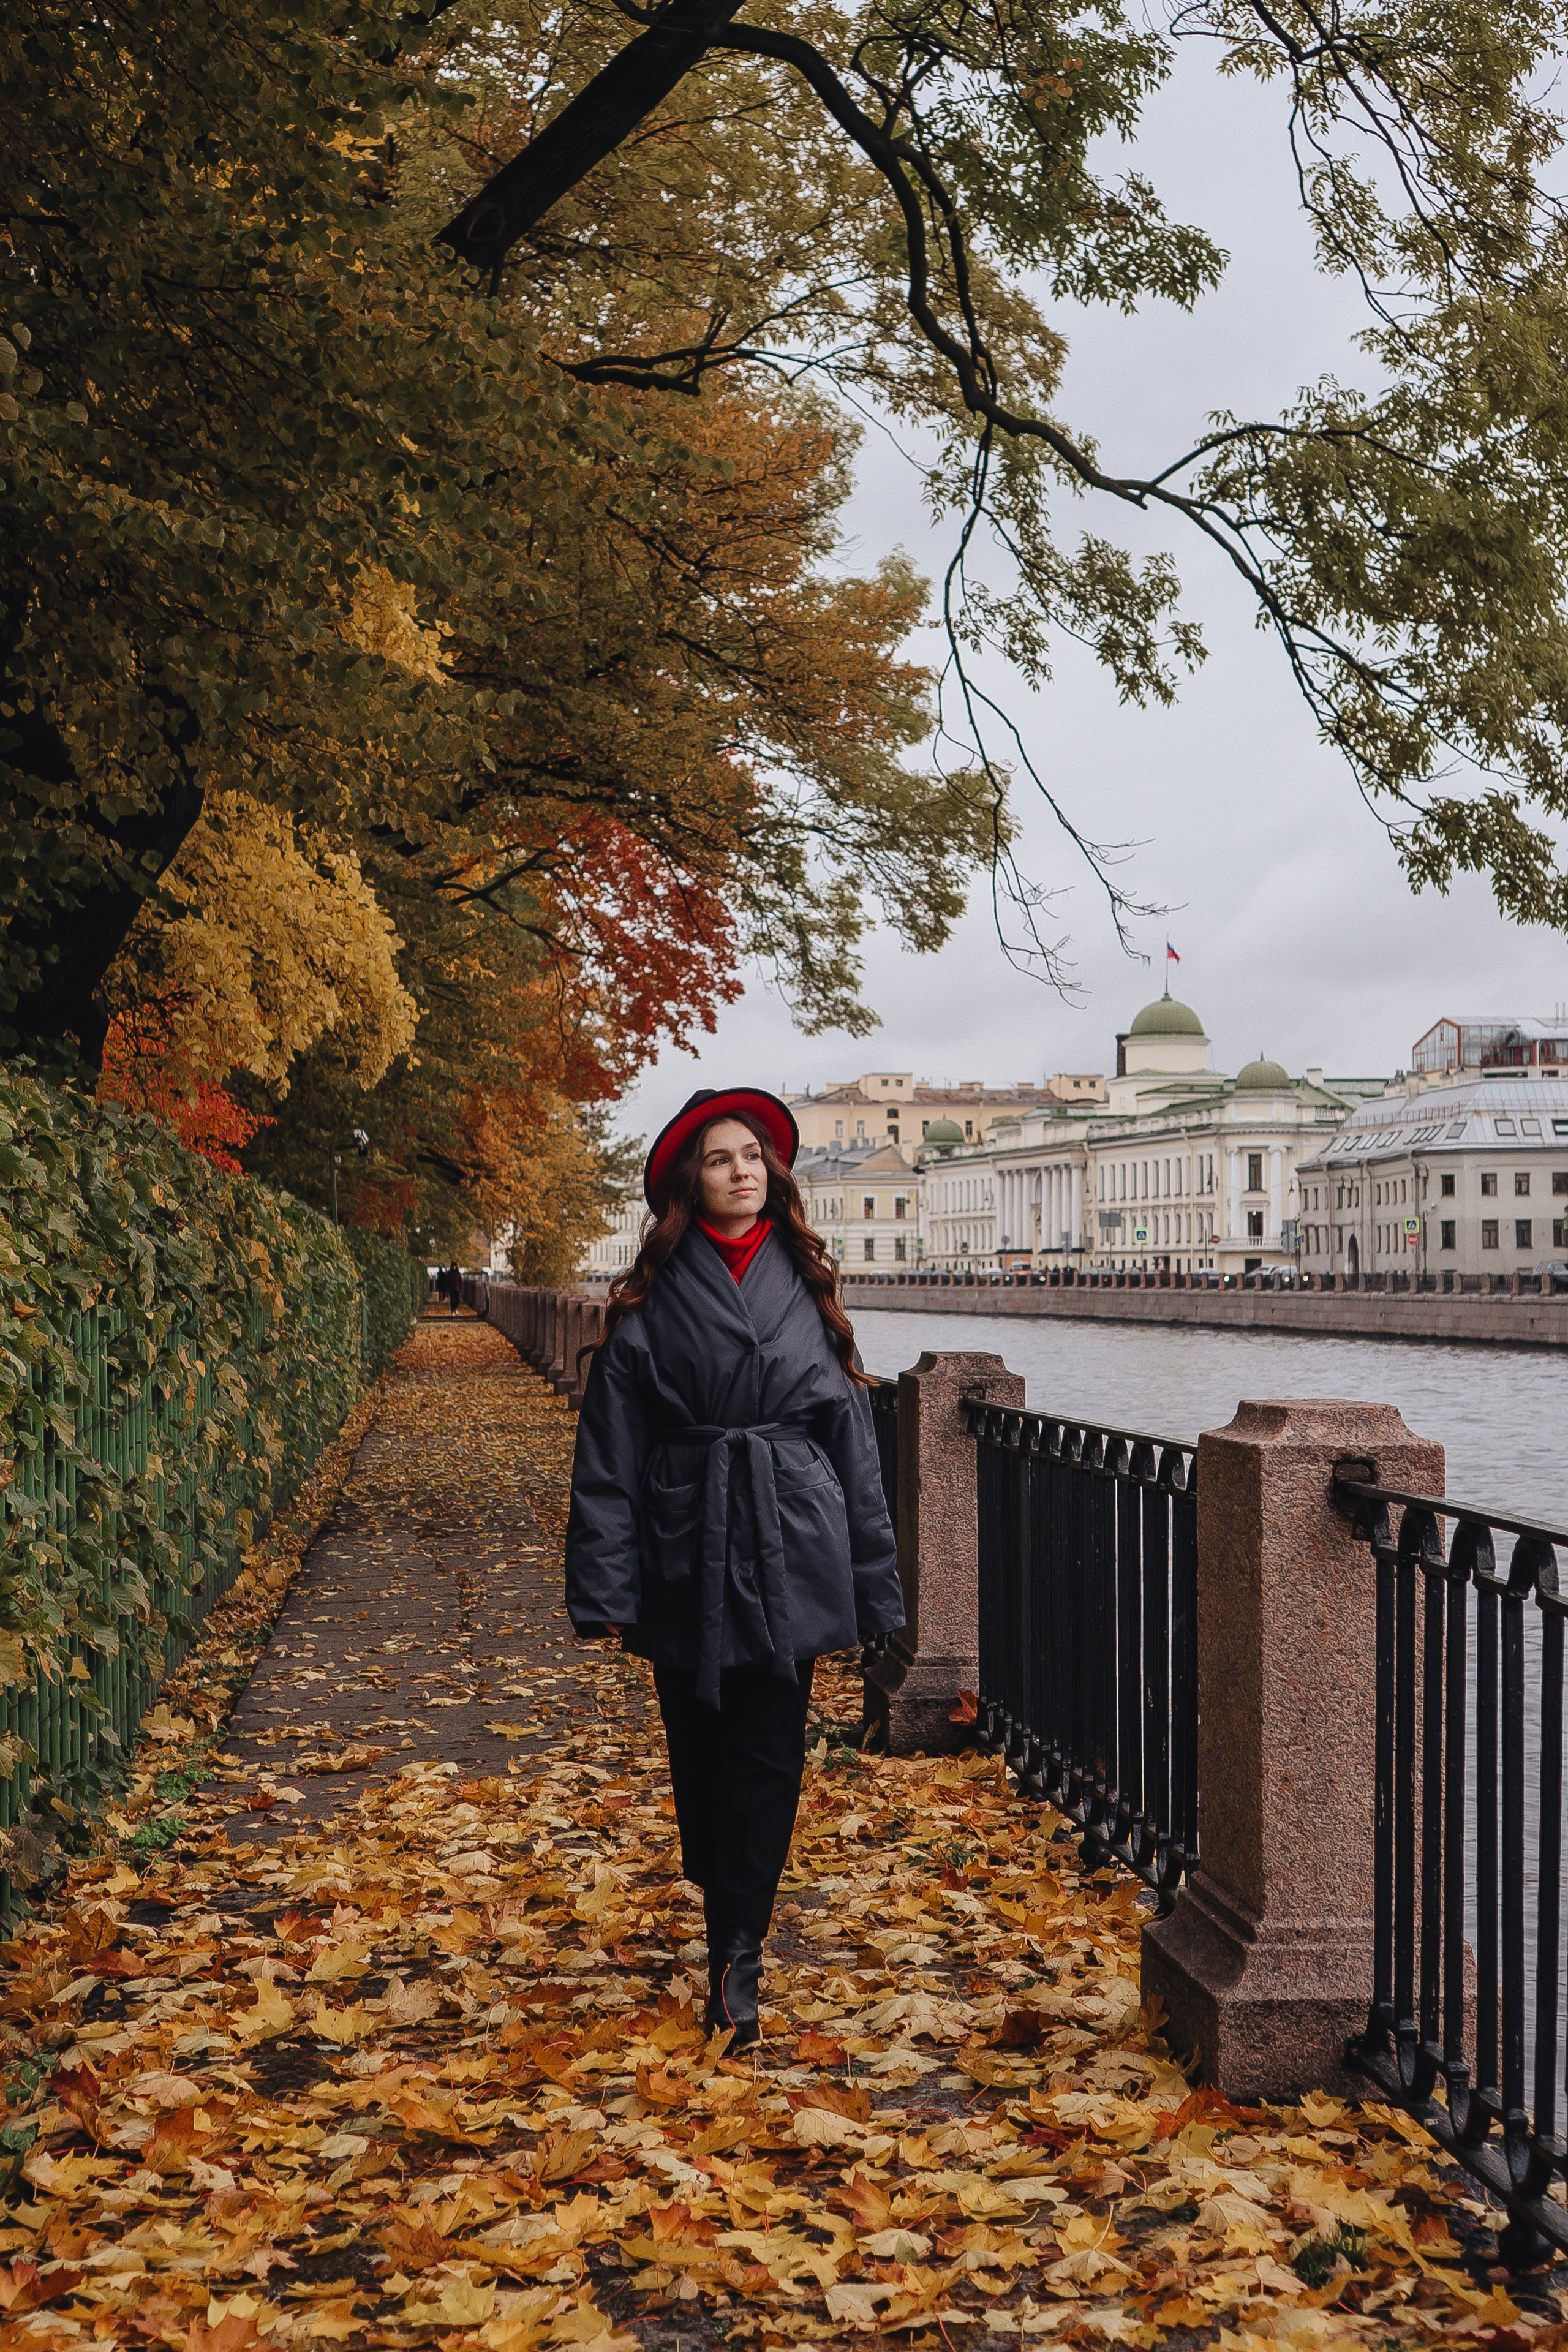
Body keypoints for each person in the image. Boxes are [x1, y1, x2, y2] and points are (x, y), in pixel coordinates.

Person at [565, 1087, 903, 2046]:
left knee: (771, 1750)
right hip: (687, 1538)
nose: (742, 1171)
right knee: (702, 1753)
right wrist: (603, 1589)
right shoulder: (650, 1296)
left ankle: (738, 1952)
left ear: (774, 1174)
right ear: (690, 1181)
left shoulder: (806, 1281)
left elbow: (853, 1443)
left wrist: (875, 1584)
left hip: (791, 1538)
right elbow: (609, 1453)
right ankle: (728, 1913)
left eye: (753, 1155)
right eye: (720, 1158)